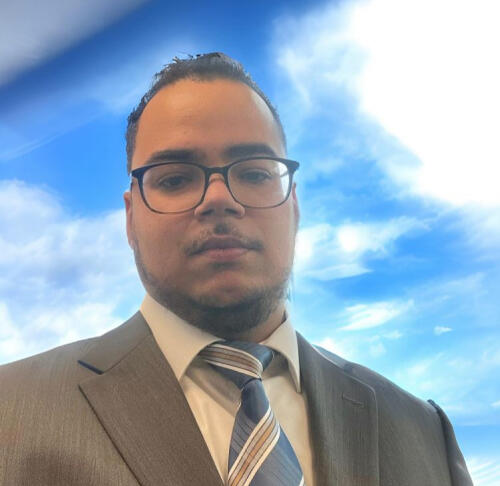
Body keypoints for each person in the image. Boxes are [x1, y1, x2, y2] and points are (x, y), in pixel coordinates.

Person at [0, 52, 472, 486]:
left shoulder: (423, 430)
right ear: (130, 218)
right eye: (175, 179)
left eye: (255, 172)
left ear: (294, 206)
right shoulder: (12, 411)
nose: (219, 199)